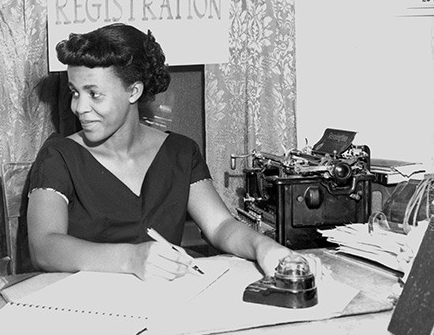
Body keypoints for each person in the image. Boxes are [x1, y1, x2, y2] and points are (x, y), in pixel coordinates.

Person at [27, 23, 294, 281]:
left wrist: (264, 248)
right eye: (75, 93)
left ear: (133, 91)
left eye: (94, 94)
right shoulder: (58, 156)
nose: (79, 107)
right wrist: (132, 258)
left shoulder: (180, 152)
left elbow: (221, 227)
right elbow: (44, 247)